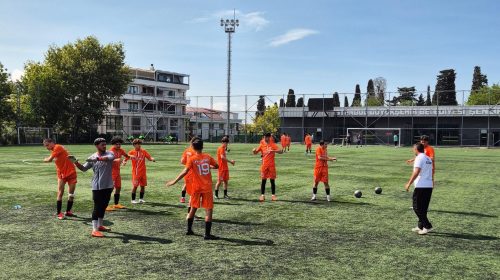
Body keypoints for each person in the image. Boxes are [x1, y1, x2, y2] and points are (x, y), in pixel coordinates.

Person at [166, 138, 220, 240]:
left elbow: (185, 171)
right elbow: (216, 166)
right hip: (207, 187)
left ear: (193, 148)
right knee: (208, 210)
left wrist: (174, 181)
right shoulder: (207, 157)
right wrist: (209, 166)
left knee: (193, 208)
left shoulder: (192, 159)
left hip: (196, 187)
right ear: (202, 147)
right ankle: (207, 234)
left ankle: (189, 230)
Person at [73, 138, 115, 237]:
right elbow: (83, 168)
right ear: (97, 146)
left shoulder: (110, 153)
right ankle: (94, 230)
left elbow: (109, 158)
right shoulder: (92, 157)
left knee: (104, 205)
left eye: (105, 144)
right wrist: (75, 162)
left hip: (108, 185)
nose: (104, 146)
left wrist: (97, 159)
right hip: (97, 186)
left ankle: (100, 225)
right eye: (102, 145)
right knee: (97, 207)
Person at [43, 138, 78, 220]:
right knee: (60, 192)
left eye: (47, 145)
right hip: (61, 174)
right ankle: (59, 213)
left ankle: (68, 211)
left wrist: (44, 159)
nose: (47, 147)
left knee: (71, 194)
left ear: (52, 143)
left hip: (71, 173)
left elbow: (49, 160)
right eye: (45, 146)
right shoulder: (55, 150)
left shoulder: (57, 147)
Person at [404, 143, 434, 235]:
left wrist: (409, 183)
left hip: (421, 186)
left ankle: (427, 226)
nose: (413, 150)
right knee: (423, 207)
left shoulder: (419, 158)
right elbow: (431, 171)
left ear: (416, 149)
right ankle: (420, 226)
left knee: (416, 207)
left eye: (413, 149)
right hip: (429, 185)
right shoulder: (428, 158)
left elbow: (416, 172)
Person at [253, 133, 283, 202]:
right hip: (264, 166)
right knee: (263, 181)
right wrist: (254, 151)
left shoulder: (273, 145)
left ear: (269, 137)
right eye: (264, 137)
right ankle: (262, 195)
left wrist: (274, 151)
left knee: (272, 181)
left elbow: (281, 151)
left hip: (272, 166)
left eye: (267, 137)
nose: (265, 139)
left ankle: (273, 196)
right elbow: (255, 152)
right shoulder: (262, 144)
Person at [125, 138, 155, 204]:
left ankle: (141, 199)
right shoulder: (131, 152)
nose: (139, 145)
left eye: (139, 144)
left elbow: (149, 158)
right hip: (136, 172)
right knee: (135, 186)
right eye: (137, 144)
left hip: (143, 172)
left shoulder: (144, 151)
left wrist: (152, 159)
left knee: (143, 186)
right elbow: (126, 158)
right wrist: (124, 162)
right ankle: (133, 200)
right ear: (134, 145)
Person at [106, 136, 131, 211]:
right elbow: (107, 160)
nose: (118, 145)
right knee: (110, 189)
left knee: (118, 188)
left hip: (117, 172)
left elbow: (127, 156)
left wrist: (125, 161)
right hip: (111, 172)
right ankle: (105, 205)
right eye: (117, 144)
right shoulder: (110, 151)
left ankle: (116, 204)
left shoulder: (121, 150)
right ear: (113, 144)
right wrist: (116, 160)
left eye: (119, 144)